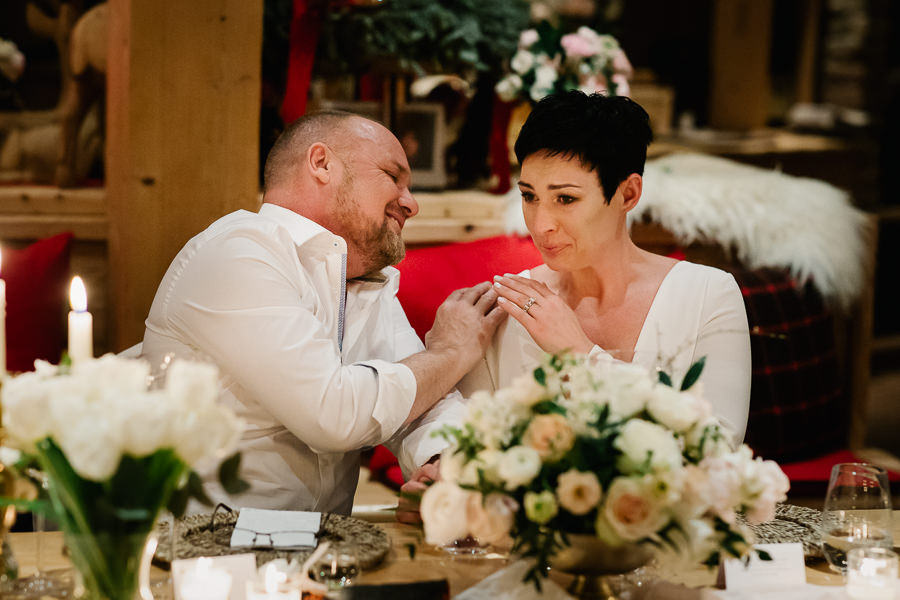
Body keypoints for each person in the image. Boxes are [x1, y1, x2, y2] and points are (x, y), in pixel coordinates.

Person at [142, 110, 505, 514]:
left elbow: (421, 398)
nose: (411, 203)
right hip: (205, 554)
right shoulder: (239, 251)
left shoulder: (360, 275)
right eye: (393, 176)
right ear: (321, 163)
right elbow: (332, 414)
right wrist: (450, 353)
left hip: (326, 555)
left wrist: (441, 465)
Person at [460, 91, 751, 443]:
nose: (540, 224)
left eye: (565, 198)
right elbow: (468, 442)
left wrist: (579, 354)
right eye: (529, 196)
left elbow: (718, 447)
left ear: (628, 194)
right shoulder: (507, 304)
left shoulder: (709, 294)